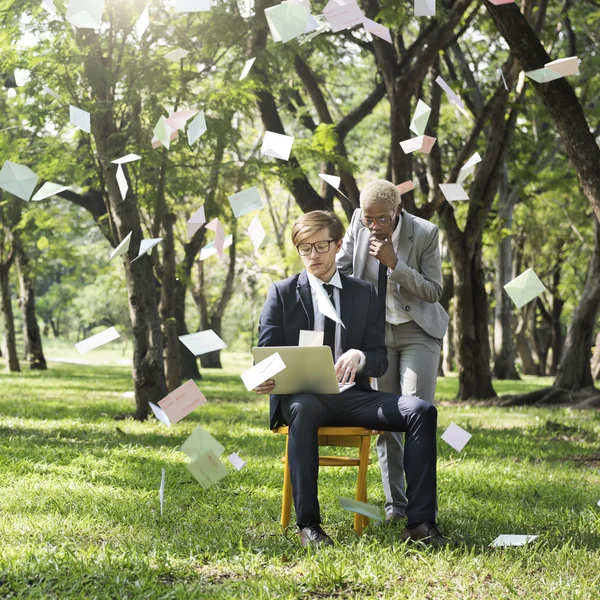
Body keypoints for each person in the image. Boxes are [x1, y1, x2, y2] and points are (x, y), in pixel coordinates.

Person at [253, 210, 447, 548]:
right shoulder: (282, 293)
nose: (313, 256)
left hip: (353, 397)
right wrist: (262, 378)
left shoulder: (362, 293)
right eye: (305, 248)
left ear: (339, 244)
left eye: (321, 246)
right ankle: (309, 526)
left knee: (421, 411)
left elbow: (379, 360)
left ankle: (419, 524)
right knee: (303, 408)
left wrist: (360, 358)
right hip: (305, 399)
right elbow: (266, 354)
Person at [337, 180, 449, 525]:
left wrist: (395, 264)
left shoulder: (426, 233)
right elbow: (341, 268)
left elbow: (434, 290)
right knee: (386, 421)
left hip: (418, 333)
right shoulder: (359, 221)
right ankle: (395, 505)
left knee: (415, 412)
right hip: (377, 336)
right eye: (368, 219)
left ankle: (420, 508)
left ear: (397, 209)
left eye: (381, 219)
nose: (373, 225)